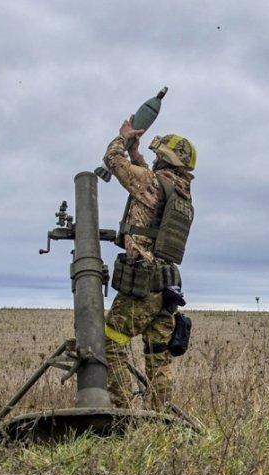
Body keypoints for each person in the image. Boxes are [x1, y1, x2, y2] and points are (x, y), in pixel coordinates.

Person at [102, 118, 196, 411]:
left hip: (142, 284)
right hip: (167, 287)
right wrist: (137, 154)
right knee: (158, 354)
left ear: (166, 160)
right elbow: (148, 178)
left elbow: (112, 161)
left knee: (110, 343)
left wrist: (122, 139)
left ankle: (119, 414)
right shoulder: (181, 193)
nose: (153, 160)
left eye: (158, 157)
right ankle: (160, 419)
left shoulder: (152, 183)